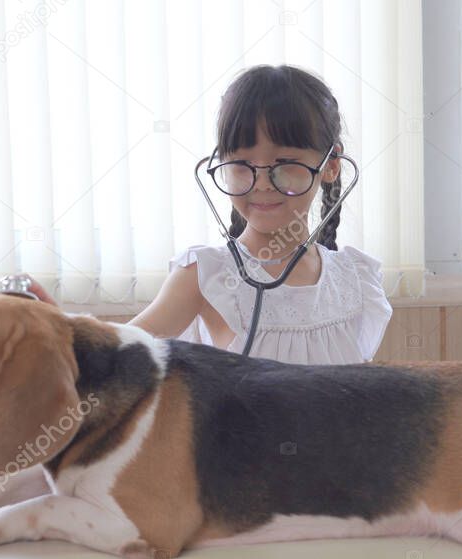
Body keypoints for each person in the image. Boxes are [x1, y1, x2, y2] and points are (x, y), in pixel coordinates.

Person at [29, 65, 392, 364]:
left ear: (330, 166)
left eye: (285, 164)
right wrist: (59, 329)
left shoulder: (356, 280)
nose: (262, 183)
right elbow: (121, 353)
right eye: (242, 164)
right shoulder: (206, 275)